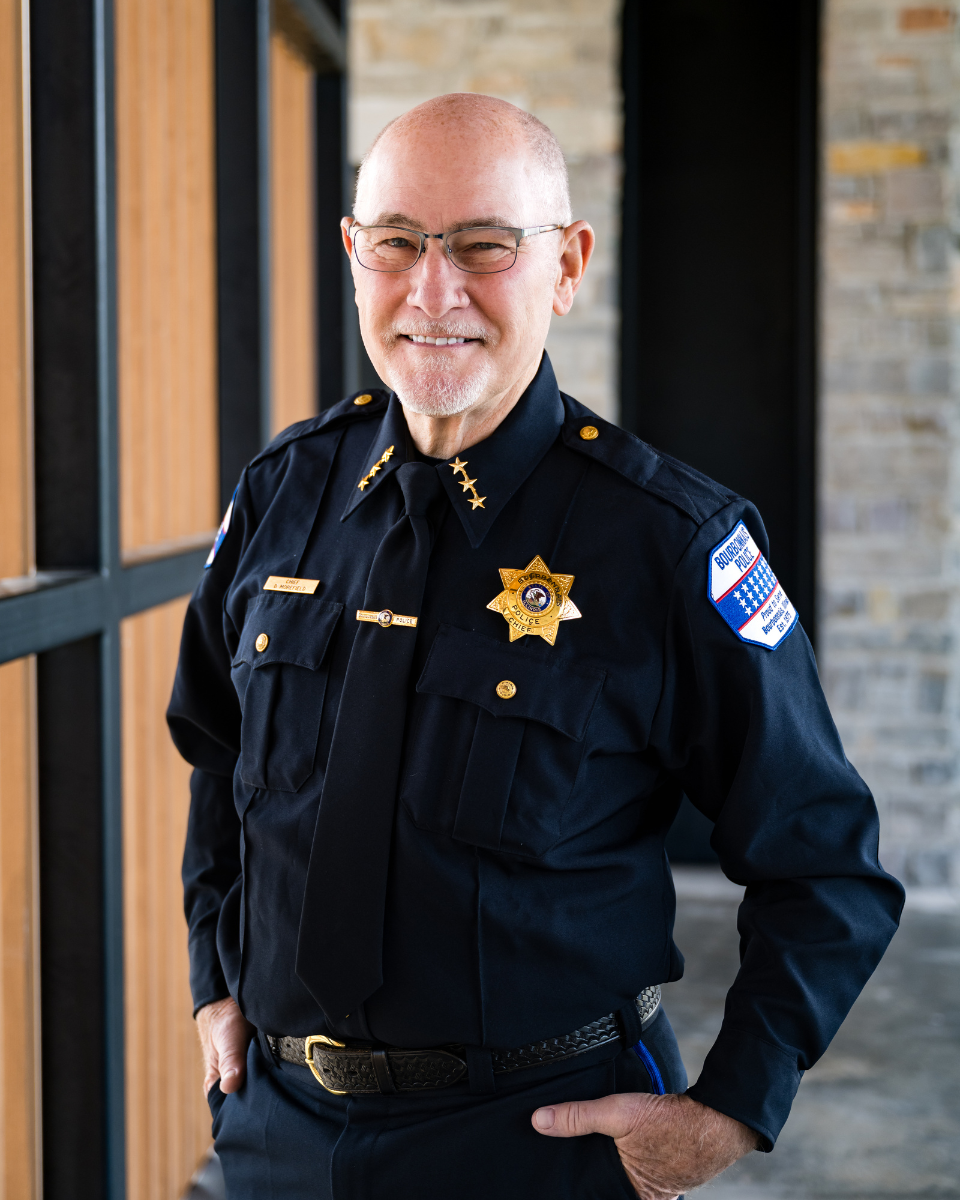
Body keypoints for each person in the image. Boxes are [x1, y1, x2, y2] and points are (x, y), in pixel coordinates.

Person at [167, 93, 903, 1200]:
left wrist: (731, 1107)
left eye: (484, 247)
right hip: (276, 1134)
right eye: (397, 242)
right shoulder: (286, 490)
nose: (433, 291)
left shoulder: (669, 542)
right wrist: (213, 980)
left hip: (536, 1146)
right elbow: (220, 752)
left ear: (567, 266)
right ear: (353, 253)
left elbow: (826, 861)